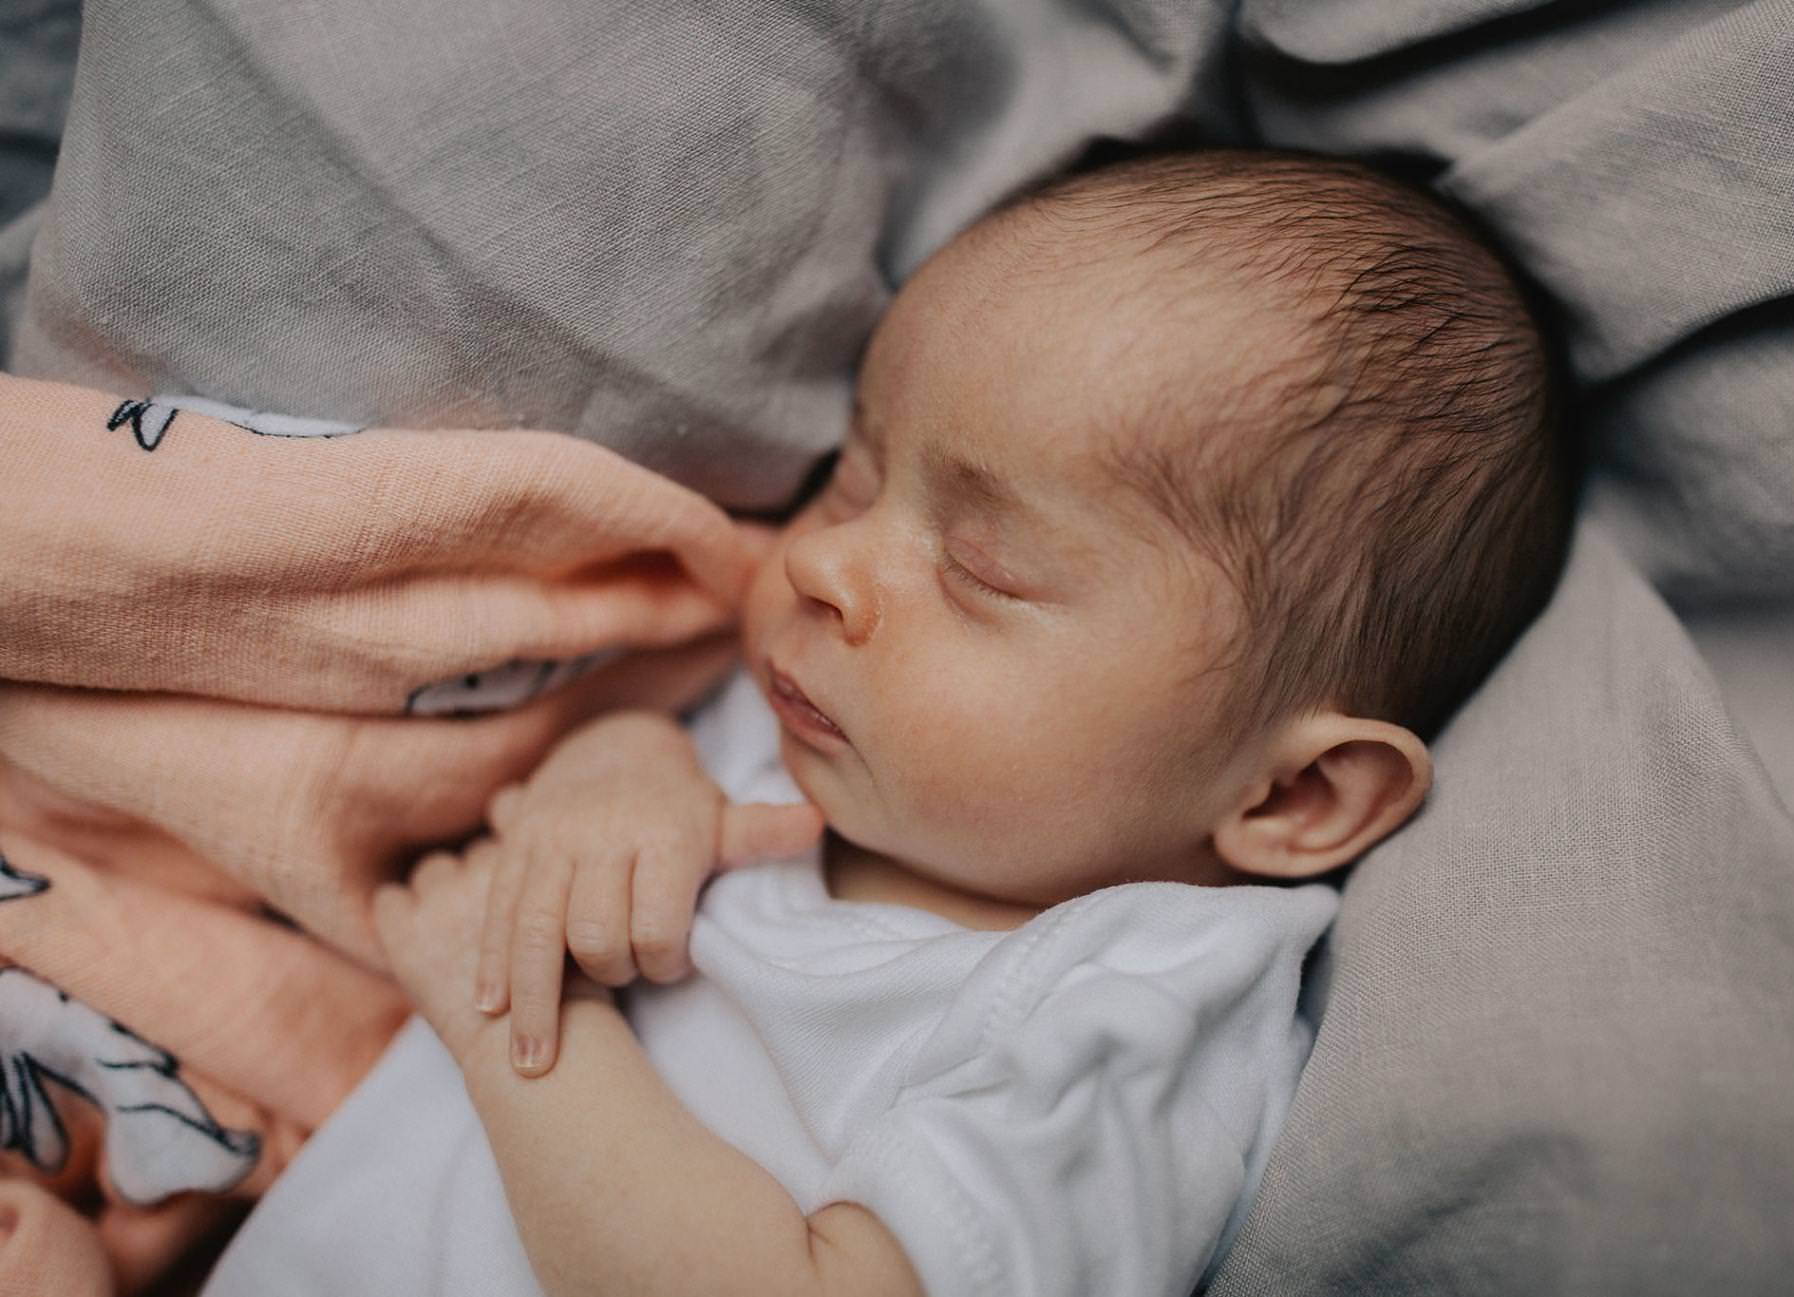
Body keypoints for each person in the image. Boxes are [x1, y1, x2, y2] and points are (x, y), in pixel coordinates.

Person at [214, 148, 1570, 1297]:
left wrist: (520, 1027)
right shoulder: (821, 723)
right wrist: (616, 773)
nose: (822, 562)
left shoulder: (1131, 1014)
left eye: (983, 568)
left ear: (1294, 799)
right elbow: (592, 765)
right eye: (854, 476)